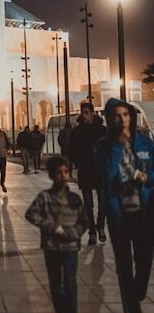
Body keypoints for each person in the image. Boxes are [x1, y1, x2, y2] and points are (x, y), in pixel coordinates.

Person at [97, 98, 154, 313]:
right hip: (119, 215)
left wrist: (146, 177)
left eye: (126, 115)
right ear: (110, 120)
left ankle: (137, 295)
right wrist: (117, 147)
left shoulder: (144, 142)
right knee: (124, 267)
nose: (123, 120)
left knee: (143, 262)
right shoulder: (103, 147)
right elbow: (105, 177)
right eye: (117, 116)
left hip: (144, 212)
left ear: (131, 116)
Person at [25, 155, 89, 313]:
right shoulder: (44, 197)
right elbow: (31, 214)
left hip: (70, 248)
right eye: (58, 173)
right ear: (51, 175)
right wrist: (52, 227)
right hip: (52, 247)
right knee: (55, 284)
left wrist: (74, 233)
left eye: (66, 172)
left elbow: (84, 221)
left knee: (70, 282)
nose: (63, 176)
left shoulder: (75, 199)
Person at [69, 100, 107, 245]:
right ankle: (92, 232)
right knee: (88, 205)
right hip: (85, 171)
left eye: (87, 113)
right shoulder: (76, 132)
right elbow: (72, 151)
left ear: (92, 113)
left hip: (100, 171)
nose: (84, 116)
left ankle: (100, 226)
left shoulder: (102, 131)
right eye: (82, 113)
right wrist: (77, 164)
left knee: (103, 203)